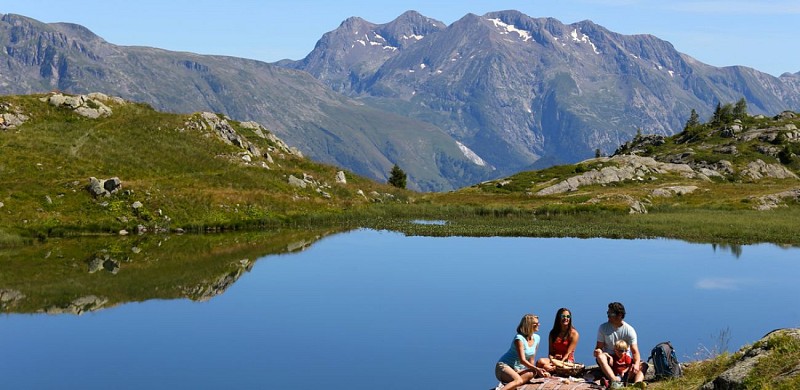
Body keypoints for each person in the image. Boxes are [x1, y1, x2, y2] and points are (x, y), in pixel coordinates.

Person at [593, 302, 646, 388]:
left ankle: (637, 384)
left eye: (611, 313)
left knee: (643, 365)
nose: (608, 316)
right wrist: (600, 352)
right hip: (610, 361)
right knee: (600, 357)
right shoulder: (603, 328)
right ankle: (614, 380)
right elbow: (598, 348)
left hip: (625, 360)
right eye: (608, 313)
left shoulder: (629, 330)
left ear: (620, 315)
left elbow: (635, 352)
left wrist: (636, 364)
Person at [495, 314, 550, 390]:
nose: (539, 325)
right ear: (529, 325)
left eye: (538, 323)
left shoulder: (537, 338)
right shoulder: (519, 339)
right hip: (504, 367)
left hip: (518, 370)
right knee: (518, 380)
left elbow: (531, 359)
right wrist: (537, 368)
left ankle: (511, 385)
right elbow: (522, 360)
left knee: (532, 373)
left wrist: (536, 370)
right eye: (536, 323)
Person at [537, 308, 580, 373]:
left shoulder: (574, 334)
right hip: (555, 360)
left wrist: (559, 363)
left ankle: (552, 371)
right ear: (558, 318)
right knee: (539, 362)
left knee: (546, 367)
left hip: (566, 361)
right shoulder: (553, 333)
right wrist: (552, 359)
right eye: (563, 316)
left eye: (568, 316)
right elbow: (550, 352)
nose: (566, 318)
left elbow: (568, 353)